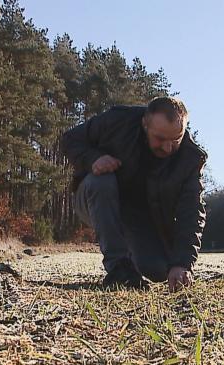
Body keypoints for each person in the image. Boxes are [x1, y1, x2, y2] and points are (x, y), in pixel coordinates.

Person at [61, 97, 207, 291]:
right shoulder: (118, 121)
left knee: (158, 269)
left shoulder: (190, 158)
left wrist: (182, 263)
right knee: (102, 181)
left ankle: (130, 257)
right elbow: (69, 139)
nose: (167, 148)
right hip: (94, 197)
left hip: (139, 218)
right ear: (145, 124)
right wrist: (93, 159)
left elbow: (191, 211)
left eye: (175, 140)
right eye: (160, 139)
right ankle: (118, 268)